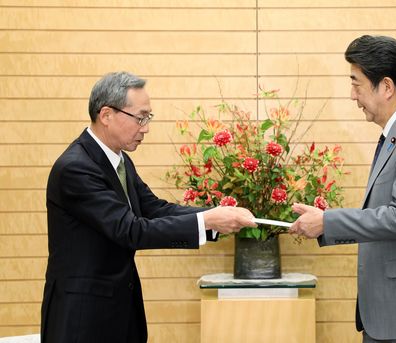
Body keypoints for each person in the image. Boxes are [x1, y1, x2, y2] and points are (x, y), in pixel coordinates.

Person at [40, 71, 257, 343]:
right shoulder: (76, 168)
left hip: (119, 313)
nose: (145, 127)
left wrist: (213, 215)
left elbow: (153, 208)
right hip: (83, 318)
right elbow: (130, 230)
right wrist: (208, 221)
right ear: (106, 115)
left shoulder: (119, 160)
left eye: (148, 118)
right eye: (140, 117)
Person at [289, 35, 396, 342]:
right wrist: (322, 225)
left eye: (356, 83)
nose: (352, 95)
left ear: (386, 86)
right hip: (392, 312)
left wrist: (326, 222)